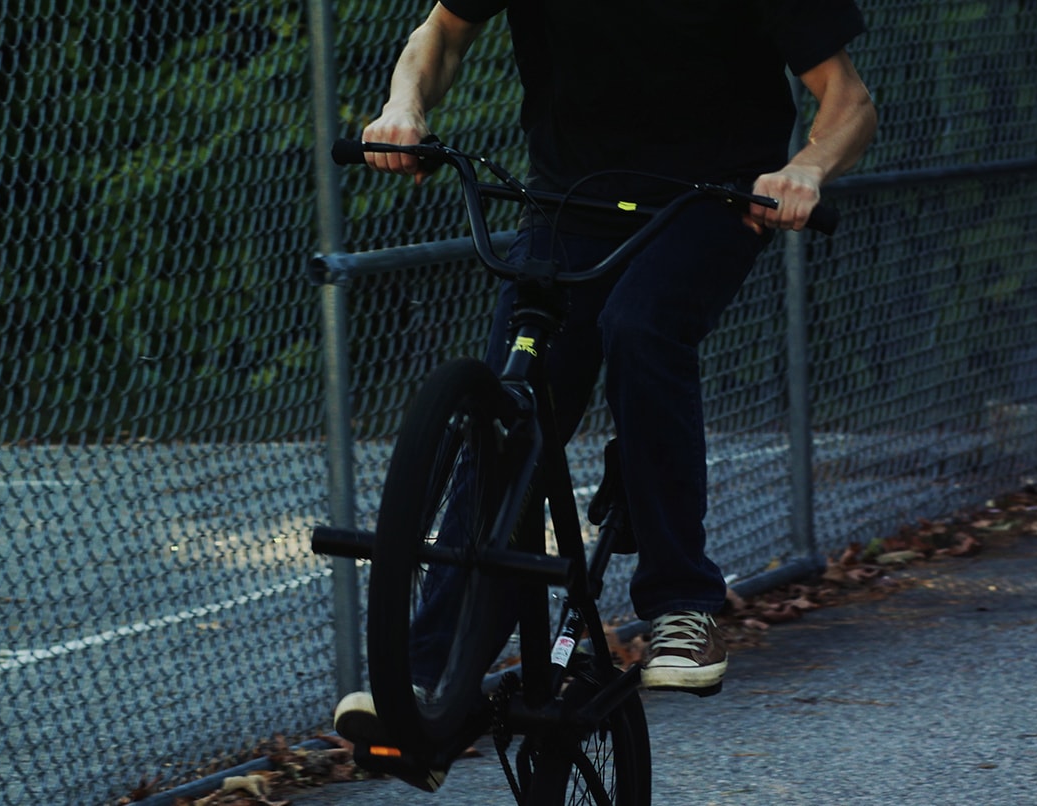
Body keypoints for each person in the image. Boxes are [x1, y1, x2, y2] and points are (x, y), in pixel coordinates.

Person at [334, 0, 878, 785]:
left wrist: (806, 168)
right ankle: (427, 683)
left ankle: (681, 606)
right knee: (508, 416)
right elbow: (442, 34)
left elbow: (848, 101)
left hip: (710, 200)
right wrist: (404, 106)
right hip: (568, 199)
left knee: (639, 327)